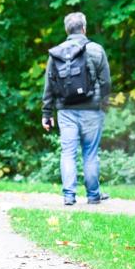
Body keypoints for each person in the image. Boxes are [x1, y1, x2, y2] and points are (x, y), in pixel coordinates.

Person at [41, 11, 112, 205]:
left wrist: (47, 113)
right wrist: (103, 104)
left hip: (65, 111)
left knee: (68, 152)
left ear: (66, 29)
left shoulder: (56, 53)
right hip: (92, 109)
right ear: (84, 28)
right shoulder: (96, 49)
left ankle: (69, 196)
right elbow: (106, 82)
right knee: (90, 153)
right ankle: (93, 196)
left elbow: (49, 85)